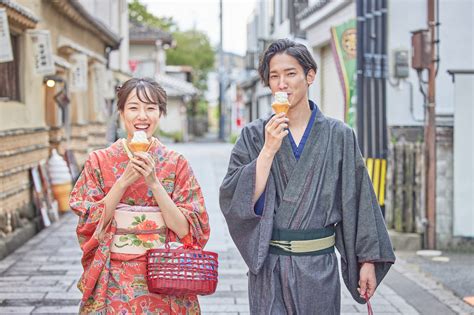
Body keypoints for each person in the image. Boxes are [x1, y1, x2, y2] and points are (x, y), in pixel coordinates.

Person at [219, 39, 395, 314]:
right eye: (274, 76)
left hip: (318, 269)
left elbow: (358, 199)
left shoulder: (339, 136)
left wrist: (368, 260)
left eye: (291, 74)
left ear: (309, 76)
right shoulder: (254, 135)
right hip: (270, 269)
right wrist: (267, 151)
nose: (282, 83)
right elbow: (233, 199)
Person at [70, 78, 210, 314]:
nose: (142, 116)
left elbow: (189, 232)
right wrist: (124, 180)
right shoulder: (99, 161)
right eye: (134, 107)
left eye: (151, 108)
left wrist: (154, 182)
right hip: (114, 273)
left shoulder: (176, 163)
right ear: (121, 111)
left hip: (166, 273)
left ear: (160, 113)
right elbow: (90, 224)